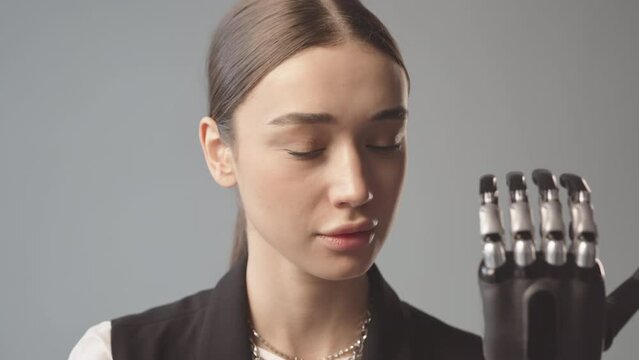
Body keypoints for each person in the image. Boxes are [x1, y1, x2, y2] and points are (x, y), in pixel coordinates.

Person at [68, 0, 483, 359]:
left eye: (384, 142)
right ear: (219, 153)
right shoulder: (116, 353)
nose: (356, 188)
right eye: (307, 148)